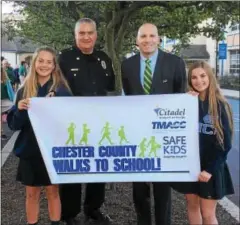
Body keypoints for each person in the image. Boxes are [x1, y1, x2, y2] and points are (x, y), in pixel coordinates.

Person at [121, 23, 187, 225]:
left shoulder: (175, 63)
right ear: (137, 40)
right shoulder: (127, 65)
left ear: (158, 39)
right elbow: (126, 98)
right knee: (139, 188)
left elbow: (181, 100)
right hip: (137, 134)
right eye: (143, 36)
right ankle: (143, 222)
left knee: (162, 188)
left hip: (163, 135)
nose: (147, 40)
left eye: (152, 35)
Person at [58, 18, 115, 225]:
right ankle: (69, 214)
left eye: (90, 32)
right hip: (73, 125)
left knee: (98, 168)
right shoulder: (64, 58)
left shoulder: (104, 58)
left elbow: (112, 88)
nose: (86, 36)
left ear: (96, 35)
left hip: (100, 125)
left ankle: (93, 209)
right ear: (75, 35)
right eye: (82, 33)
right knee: (74, 168)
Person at [7, 46, 72, 225]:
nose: (44, 65)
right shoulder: (24, 90)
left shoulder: (62, 91)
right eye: (40, 61)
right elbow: (14, 125)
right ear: (34, 63)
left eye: (49, 62)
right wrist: (19, 109)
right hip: (30, 149)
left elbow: (69, 123)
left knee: (53, 191)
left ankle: (55, 222)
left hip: (52, 150)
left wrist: (56, 106)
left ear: (54, 66)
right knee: (31, 193)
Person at [172, 61, 234, 225]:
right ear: (190, 80)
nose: (198, 81)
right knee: (192, 207)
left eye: (202, 76)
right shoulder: (188, 102)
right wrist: (184, 100)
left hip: (210, 169)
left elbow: (225, 145)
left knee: (208, 214)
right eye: (194, 77)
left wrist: (209, 170)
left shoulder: (220, 105)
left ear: (210, 76)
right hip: (191, 166)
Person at [1, 67, 14, 140]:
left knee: (13, 107)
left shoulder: (6, 81)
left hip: (5, 101)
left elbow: (10, 92)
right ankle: (1, 133)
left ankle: (1, 133)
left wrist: (13, 99)